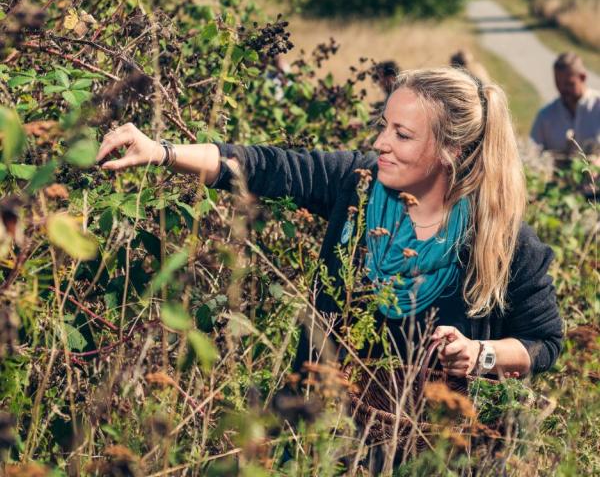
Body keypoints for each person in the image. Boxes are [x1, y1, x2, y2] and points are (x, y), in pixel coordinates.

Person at [95, 67, 563, 380]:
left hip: (436, 447)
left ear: (450, 152)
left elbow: (545, 342)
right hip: (322, 429)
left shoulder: (502, 240)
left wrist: (482, 354)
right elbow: (263, 166)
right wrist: (163, 152)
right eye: (384, 125)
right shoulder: (356, 184)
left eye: (401, 135)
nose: (380, 142)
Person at [530, 52, 600, 155]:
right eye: (558, 83)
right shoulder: (545, 116)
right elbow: (532, 153)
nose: (562, 89)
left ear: (583, 77)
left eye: (569, 84)